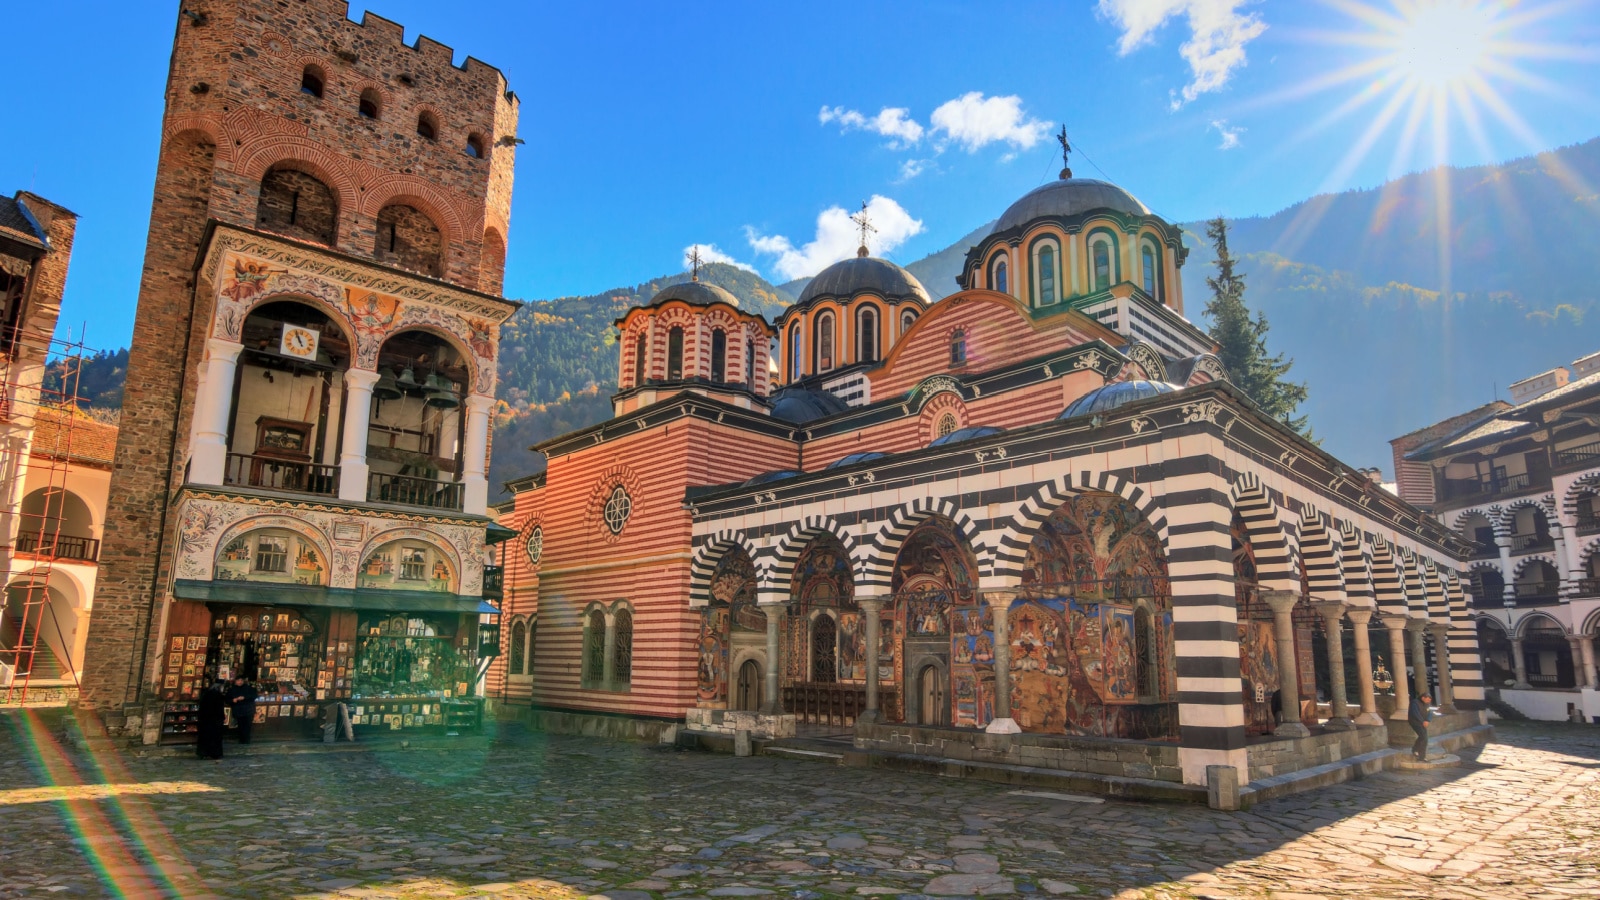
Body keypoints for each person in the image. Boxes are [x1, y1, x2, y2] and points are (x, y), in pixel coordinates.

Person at [195, 682, 226, 760]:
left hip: (205, 719)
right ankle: (215, 753)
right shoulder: (218, 696)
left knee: (204, 737)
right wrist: (222, 718)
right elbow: (219, 709)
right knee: (215, 738)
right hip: (215, 720)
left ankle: (203, 753)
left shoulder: (205, 694)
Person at [226, 676, 258, 744]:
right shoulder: (231, 689)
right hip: (238, 710)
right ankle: (242, 740)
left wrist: (244, 697)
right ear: (235, 681)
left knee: (248, 726)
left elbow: (254, 695)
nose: (240, 682)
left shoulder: (248, 688)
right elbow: (227, 699)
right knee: (240, 725)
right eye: (238, 680)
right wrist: (233, 700)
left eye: (241, 680)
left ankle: (246, 740)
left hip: (248, 710)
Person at [1409, 691, 1434, 761]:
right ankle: (1421, 756)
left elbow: (1430, 712)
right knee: (1424, 738)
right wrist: (1422, 721)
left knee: (1423, 737)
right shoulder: (1415, 703)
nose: (1429, 701)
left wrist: (1427, 720)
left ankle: (1415, 749)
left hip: (1423, 722)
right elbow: (1415, 713)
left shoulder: (1427, 704)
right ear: (1423, 698)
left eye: (1430, 700)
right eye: (1427, 699)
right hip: (1415, 722)